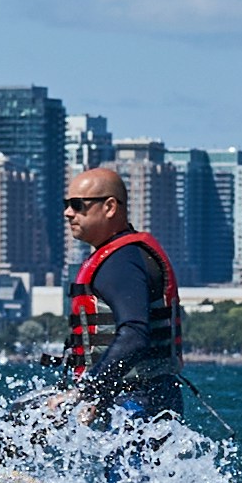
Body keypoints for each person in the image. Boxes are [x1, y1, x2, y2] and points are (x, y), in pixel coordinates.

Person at [54, 165, 184, 432]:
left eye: (78, 205)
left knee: (130, 475)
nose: (68, 213)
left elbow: (135, 334)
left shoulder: (120, 262)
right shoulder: (125, 256)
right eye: (67, 204)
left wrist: (88, 391)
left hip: (137, 402)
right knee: (31, 411)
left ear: (110, 207)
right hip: (144, 395)